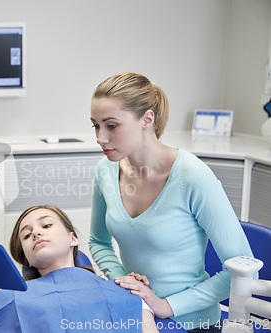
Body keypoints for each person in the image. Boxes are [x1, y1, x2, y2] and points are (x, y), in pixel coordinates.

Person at [88, 72, 253, 332]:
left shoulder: (192, 176)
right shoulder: (105, 171)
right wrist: (124, 281)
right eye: (95, 125)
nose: (100, 137)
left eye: (111, 125)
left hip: (191, 323)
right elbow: (98, 241)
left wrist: (167, 305)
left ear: (147, 119)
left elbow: (243, 269)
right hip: (136, 315)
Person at [0, 205, 159, 333]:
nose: (35, 233)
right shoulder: (7, 301)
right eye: (26, 235)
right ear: (27, 260)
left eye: (46, 225)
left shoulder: (129, 292)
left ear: (73, 238)